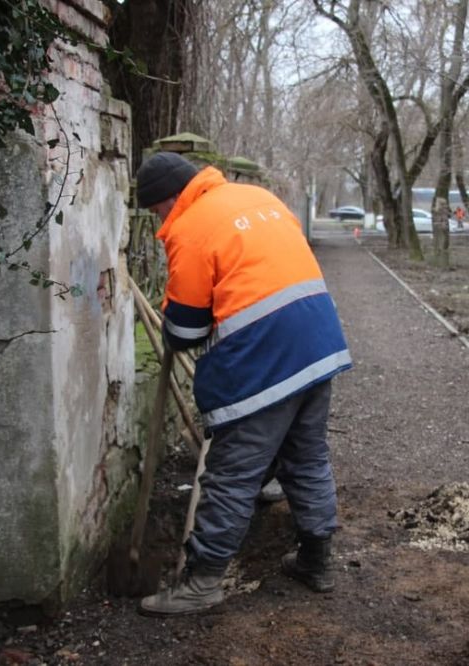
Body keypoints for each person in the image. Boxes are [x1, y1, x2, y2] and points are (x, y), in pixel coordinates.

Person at [133, 152, 352, 616]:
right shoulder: (256, 196)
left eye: (156, 212)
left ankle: (203, 582)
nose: (159, 221)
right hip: (319, 344)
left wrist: (173, 315)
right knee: (306, 457)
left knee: (232, 474)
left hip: (264, 359)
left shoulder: (190, 226)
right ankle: (317, 562)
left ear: (171, 199)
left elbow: (186, 330)